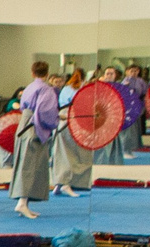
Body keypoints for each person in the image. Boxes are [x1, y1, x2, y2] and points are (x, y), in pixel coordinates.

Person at [11, 61, 60, 218]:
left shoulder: (29, 87)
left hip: (24, 123)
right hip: (34, 126)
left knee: (24, 163)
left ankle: (24, 202)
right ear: (47, 74)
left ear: (32, 73)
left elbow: (24, 108)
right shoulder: (46, 89)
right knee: (30, 165)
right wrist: (56, 119)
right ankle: (22, 203)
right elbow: (45, 111)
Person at [49, 69, 94, 195]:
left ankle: (59, 182)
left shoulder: (65, 89)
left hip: (61, 120)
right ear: (84, 78)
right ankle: (67, 183)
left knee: (60, 153)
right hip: (74, 120)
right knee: (74, 155)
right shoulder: (82, 89)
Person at [120, 63, 149, 154]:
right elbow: (121, 93)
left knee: (137, 125)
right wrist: (125, 86)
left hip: (138, 104)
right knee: (129, 126)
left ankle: (136, 144)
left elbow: (145, 92)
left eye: (135, 71)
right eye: (131, 71)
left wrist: (143, 102)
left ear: (138, 71)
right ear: (127, 72)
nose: (133, 73)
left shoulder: (141, 81)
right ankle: (127, 146)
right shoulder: (125, 81)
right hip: (128, 106)